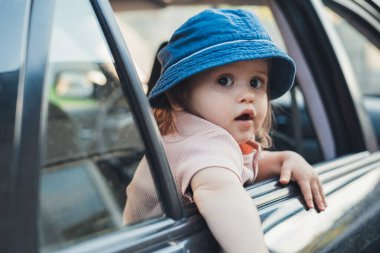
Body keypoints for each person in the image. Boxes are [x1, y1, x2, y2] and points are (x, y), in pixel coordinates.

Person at [123, 9, 327, 253]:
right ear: (178, 95)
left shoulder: (191, 137)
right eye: (224, 81)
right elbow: (220, 192)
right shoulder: (202, 144)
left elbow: (236, 167)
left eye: (256, 82)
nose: (247, 95)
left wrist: (284, 159)